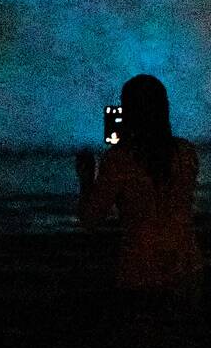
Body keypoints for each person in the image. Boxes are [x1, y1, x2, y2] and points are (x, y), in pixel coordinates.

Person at [76, 74, 203, 321]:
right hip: (187, 265)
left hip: (140, 271)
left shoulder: (118, 161)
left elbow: (90, 219)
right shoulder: (186, 153)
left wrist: (86, 178)